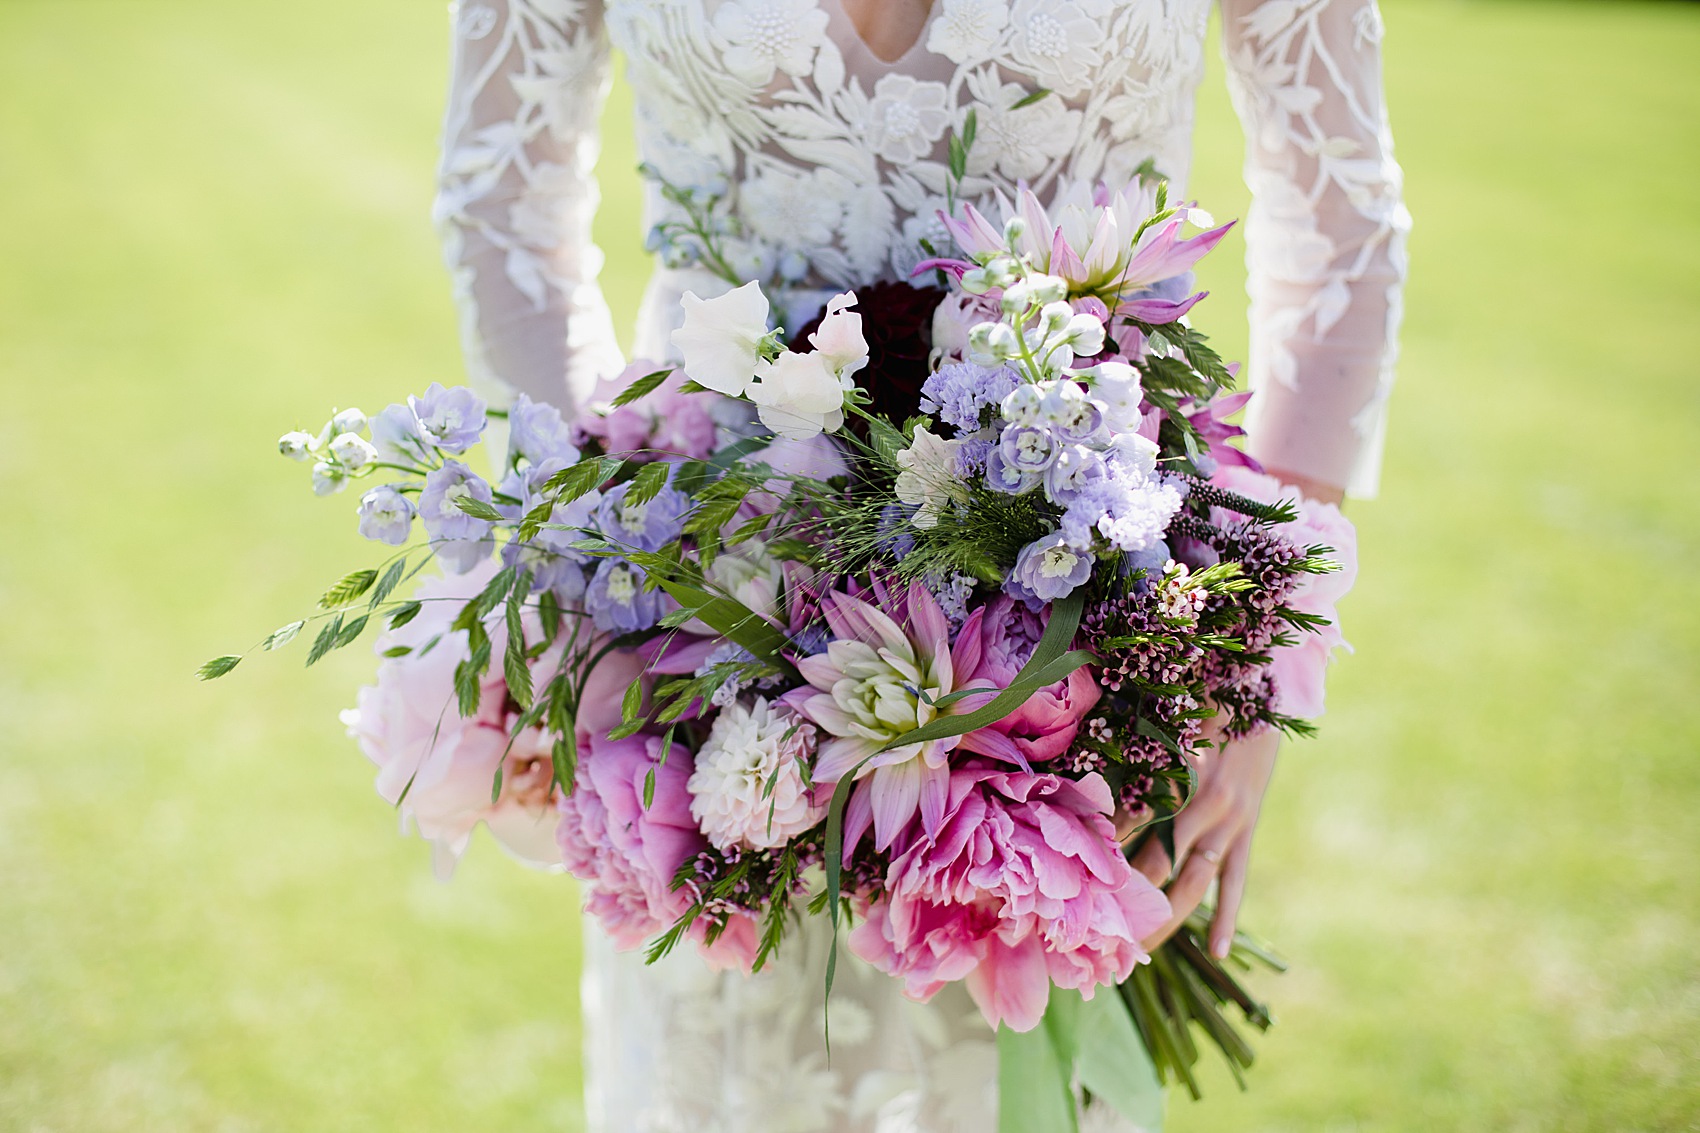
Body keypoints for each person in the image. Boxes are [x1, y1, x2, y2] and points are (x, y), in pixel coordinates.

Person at [433, 0, 1408, 1126]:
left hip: (1085, 682)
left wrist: (1247, 655)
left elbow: (1341, 223)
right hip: (699, 664)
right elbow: (502, 202)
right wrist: (595, 546)